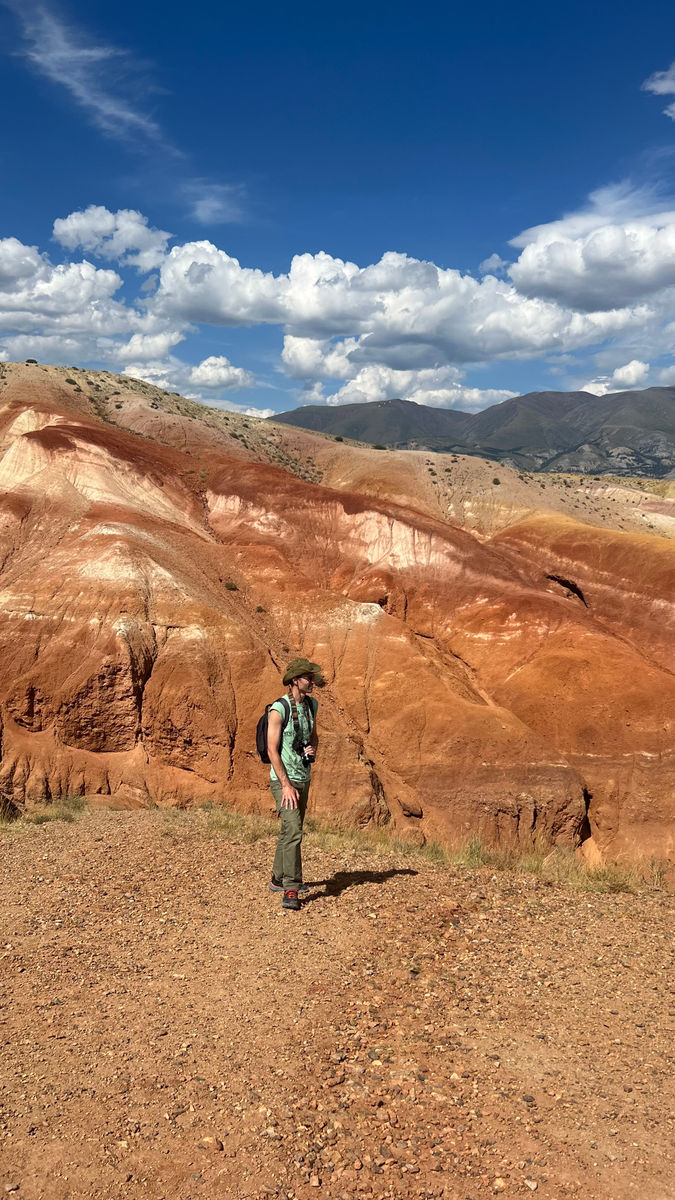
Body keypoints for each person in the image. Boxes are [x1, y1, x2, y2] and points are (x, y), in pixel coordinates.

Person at [267, 657, 321, 911]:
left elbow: (313, 737)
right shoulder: (279, 709)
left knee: (288, 831)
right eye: (308, 677)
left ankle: (277, 877)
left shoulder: (311, 706)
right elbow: (272, 750)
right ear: (295, 681)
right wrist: (285, 785)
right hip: (283, 781)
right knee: (294, 830)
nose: (312, 681)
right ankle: (291, 887)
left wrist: (310, 751)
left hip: (303, 778)